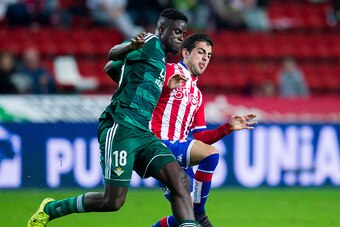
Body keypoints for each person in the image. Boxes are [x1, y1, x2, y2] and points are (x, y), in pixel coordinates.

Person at [27, 8, 198, 227]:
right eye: (176, 32)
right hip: (121, 128)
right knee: (112, 201)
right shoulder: (151, 43)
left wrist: (129, 78)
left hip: (143, 133)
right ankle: (50, 209)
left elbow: (111, 68)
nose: (180, 38)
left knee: (180, 181)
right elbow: (113, 54)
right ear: (162, 29)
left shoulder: (160, 60)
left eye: (183, 34)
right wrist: (130, 46)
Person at [105, 33, 257, 227]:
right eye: (201, 52)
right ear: (185, 53)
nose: (205, 58)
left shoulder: (198, 96)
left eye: (209, 56)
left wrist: (228, 128)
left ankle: (197, 215)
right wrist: (163, 87)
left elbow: (201, 136)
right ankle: (200, 213)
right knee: (211, 156)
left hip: (178, 154)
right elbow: (115, 70)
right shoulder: (167, 70)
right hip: (157, 145)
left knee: (185, 216)